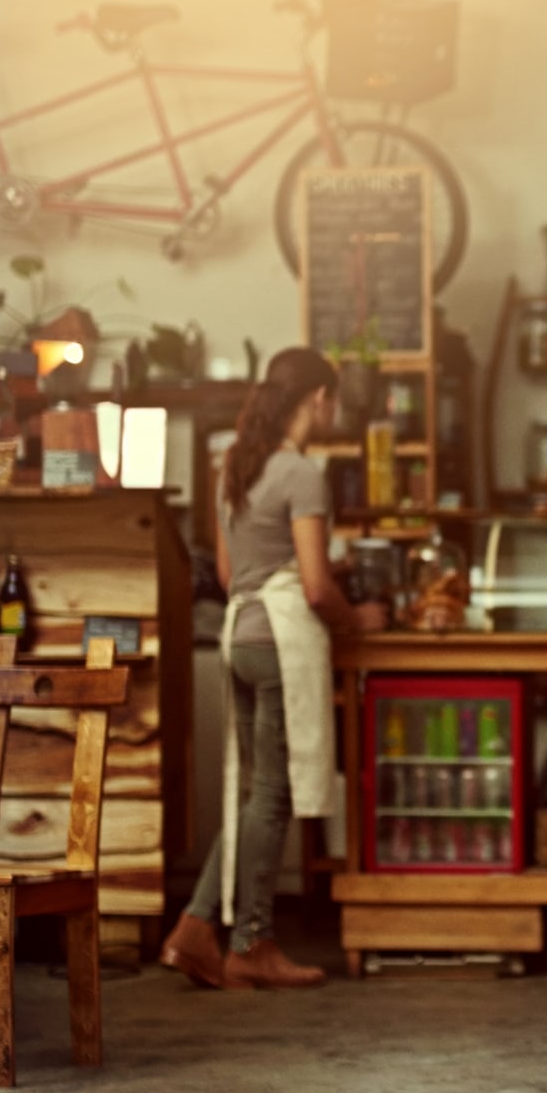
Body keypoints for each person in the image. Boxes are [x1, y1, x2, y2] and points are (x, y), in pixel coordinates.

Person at [161, 346, 357, 991]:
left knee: (252, 796)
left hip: (238, 637)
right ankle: (249, 943)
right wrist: (360, 621)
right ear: (318, 400)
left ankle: (198, 929)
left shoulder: (233, 471)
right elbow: (315, 587)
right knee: (271, 796)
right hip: (279, 643)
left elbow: (225, 574)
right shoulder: (302, 474)